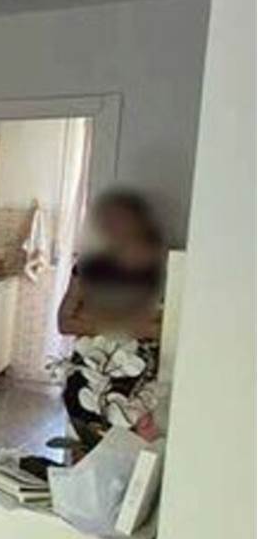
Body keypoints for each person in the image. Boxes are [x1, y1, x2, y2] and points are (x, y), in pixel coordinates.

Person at [56, 189, 167, 451]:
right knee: (85, 449)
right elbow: (64, 322)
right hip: (88, 377)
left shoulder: (162, 270)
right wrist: (127, 326)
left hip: (136, 384)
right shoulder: (89, 267)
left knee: (129, 453)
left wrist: (93, 319)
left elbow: (162, 328)